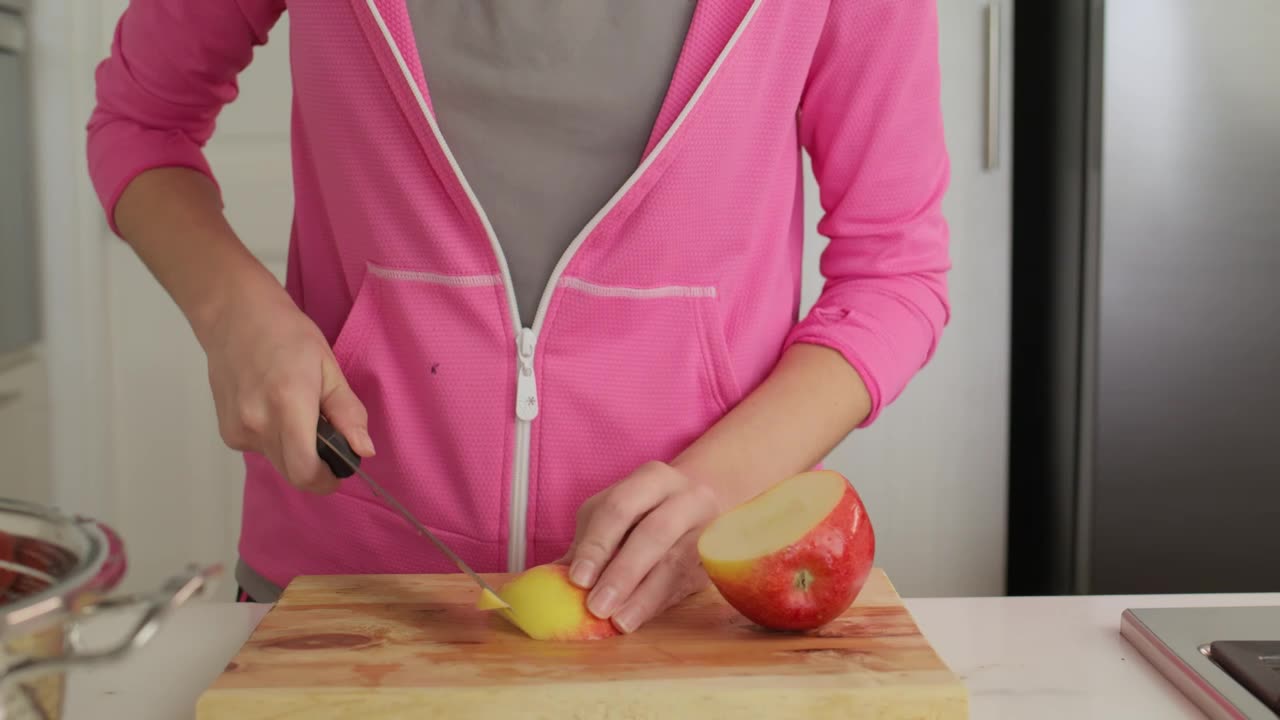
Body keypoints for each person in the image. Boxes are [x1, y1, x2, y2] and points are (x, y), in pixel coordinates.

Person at [86, 0, 950, 634]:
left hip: (688, 602)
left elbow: (895, 271)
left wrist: (716, 486)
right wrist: (234, 310)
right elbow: (141, 121)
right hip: (343, 591)